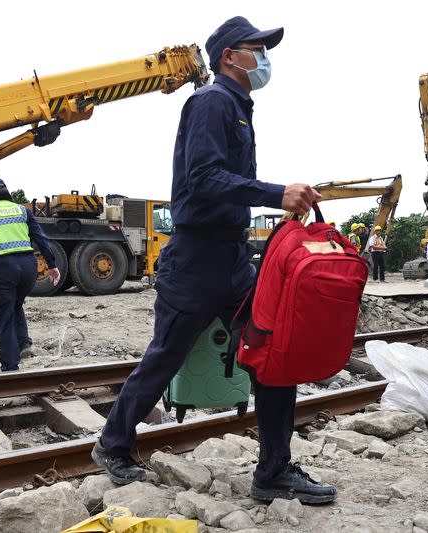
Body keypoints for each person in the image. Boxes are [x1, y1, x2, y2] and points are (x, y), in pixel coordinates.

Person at [91, 16, 336, 504]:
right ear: (231, 56)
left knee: (271, 356)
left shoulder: (239, 109)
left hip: (232, 259)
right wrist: (275, 193)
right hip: (196, 259)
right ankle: (113, 445)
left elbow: (228, 182)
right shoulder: (210, 102)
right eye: (257, 48)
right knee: (166, 356)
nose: (265, 57)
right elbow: (203, 177)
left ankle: (273, 471)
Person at [0, 178, 61, 371]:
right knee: (15, 303)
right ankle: (24, 344)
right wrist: (52, 265)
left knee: (4, 316)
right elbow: (41, 239)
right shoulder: (23, 210)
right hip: (29, 267)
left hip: (5, 268)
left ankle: (10, 368)